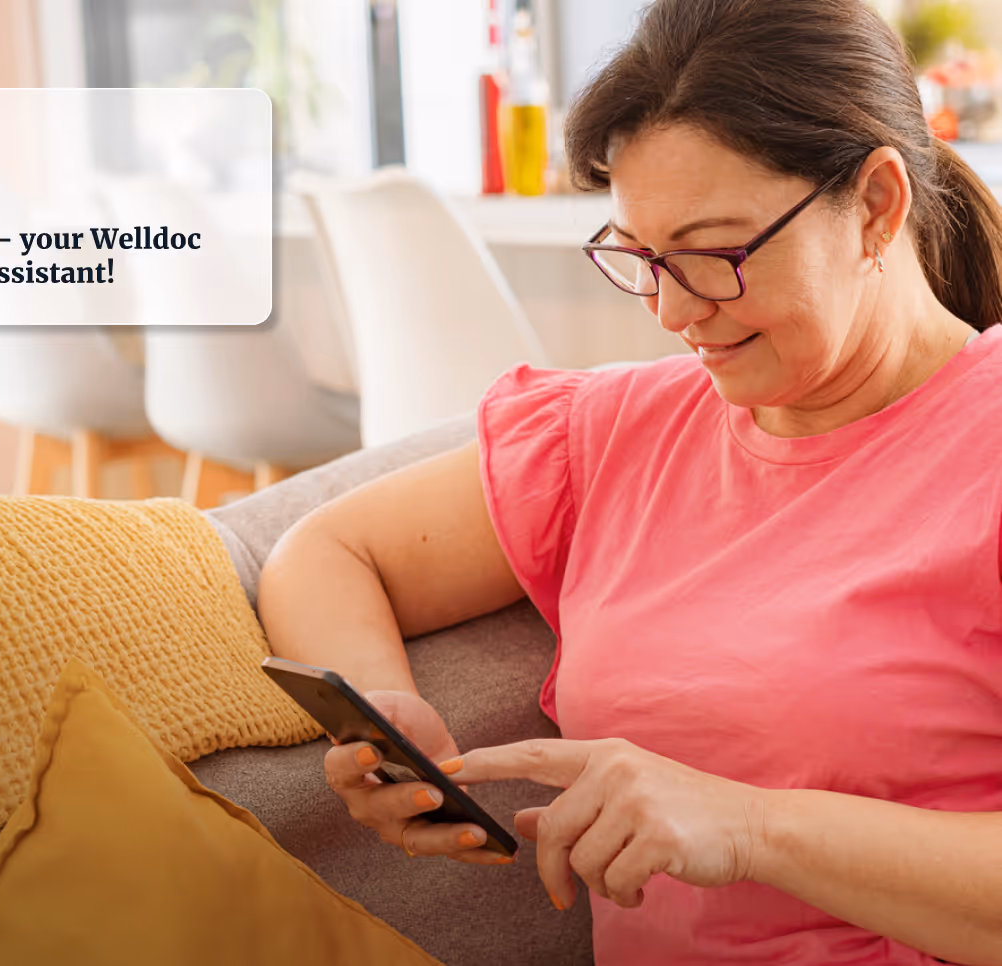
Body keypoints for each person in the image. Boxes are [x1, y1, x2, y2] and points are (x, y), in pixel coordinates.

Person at [256, 0, 1002, 962]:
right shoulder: (617, 432)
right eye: (643, 258)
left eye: (713, 254)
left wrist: (748, 830)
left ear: (876, 205)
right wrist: (387, 721)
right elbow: (325, 550)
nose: (672, 311)